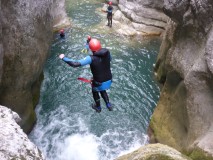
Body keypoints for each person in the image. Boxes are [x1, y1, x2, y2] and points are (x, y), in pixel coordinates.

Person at [59, 38, 113, 113]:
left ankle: (98, 107)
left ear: (91, 49)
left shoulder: (91, 58)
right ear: (100, 46)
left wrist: (63, 58)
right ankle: (108, 105)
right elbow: (109, 60)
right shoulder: (107, 53)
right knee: (102, 89)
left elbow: (75, 64)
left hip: (98, 82)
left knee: (95, 91)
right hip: (109, 80)